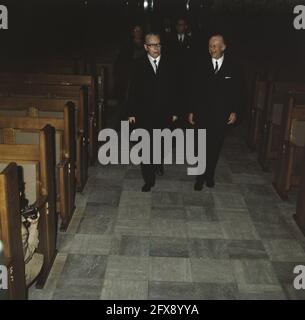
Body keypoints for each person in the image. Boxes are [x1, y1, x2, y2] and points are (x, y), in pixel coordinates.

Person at [188, 34, 244, 191]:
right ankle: (199, 178)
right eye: (209, 46)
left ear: (223, 47)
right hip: (203, 113)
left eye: (214, 45)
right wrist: (192, 110)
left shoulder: (234, 67)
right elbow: (194, 90)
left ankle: (209, 175)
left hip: (222, 115)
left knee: (215, 147)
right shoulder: (201, 64)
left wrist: (235, 111)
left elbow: (238, 92)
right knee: (201, 147)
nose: (211, 49)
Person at [127, 32, 179, 192]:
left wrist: (176, 110)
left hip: (165, 112)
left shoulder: (171, 63)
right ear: (145, 47)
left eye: (158, 44)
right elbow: (131, 90)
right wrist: (131, 112)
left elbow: (177, 89)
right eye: (152, 45)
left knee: (163, 143)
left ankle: (158, 161)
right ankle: (148, 179)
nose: (156, 48)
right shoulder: (137, 64)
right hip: (144, 113)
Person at [114, 24, 146, 124]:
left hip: (142, 76)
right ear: (132, 32)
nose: (138, 32)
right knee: (127, 100)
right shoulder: (127, 45)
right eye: (136, 30)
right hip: (129, 77)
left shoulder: (146, 44)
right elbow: (121, 63)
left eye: (140, 30)